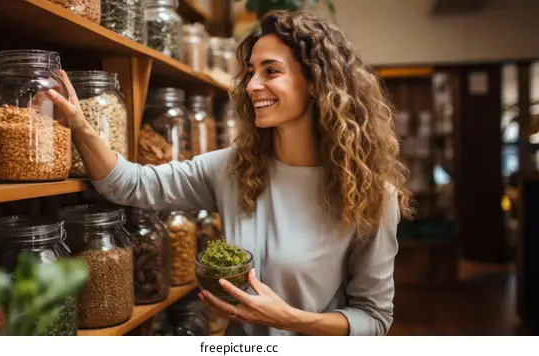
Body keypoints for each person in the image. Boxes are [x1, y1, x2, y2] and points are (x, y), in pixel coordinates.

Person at [47, 10, 413, 336]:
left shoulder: (370, 193)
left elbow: (374, 318)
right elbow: (130, 185)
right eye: (251, 72)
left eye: (271, 71)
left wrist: (290, 319)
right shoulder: (234, 168)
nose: (252, 85)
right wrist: (79, 124)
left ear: (316, 82)